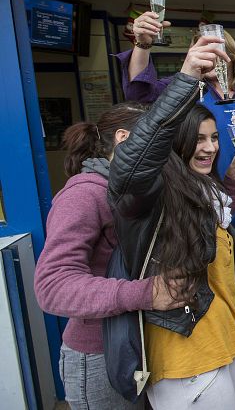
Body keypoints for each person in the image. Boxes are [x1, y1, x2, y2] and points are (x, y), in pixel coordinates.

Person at [108, 38, 235, 409]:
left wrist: (233, 184)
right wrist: (188, 77)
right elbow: (130, 169)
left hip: (224, 334)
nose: (209, 148)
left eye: (213, 139)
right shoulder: (149, 194)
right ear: (174, 144)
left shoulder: (206, 190)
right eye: (198, 139)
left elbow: (218, 225)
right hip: (185, 353)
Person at [117, 15, 235, 355]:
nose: (215, 57)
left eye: (221, 51)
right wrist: (142, 46)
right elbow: (141, 97)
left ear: (232, 56)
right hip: (204, 200)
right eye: (206, 49)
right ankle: (221, 329)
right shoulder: (191, 91)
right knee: (215, 270)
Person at [34, 103, 166, 410]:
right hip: (98, 357)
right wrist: (147, 293)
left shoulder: (131, 191)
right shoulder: (84, 194)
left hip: (138, 346)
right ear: (123, 138)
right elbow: (52, 286)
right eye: (158, 138)